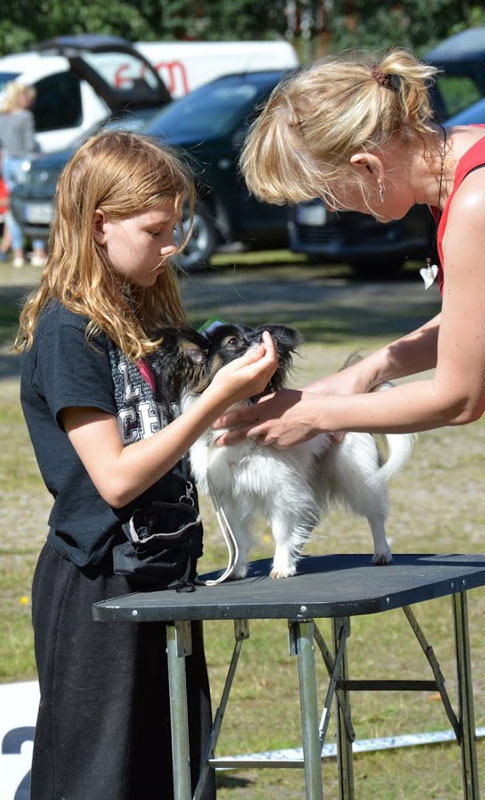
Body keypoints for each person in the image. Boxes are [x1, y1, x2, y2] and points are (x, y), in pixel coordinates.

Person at [213, 49, 485, 797]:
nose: (335, 211)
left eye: (329, 193)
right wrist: (368, 369)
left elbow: (457, 396)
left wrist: (314, 411)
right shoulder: (484, 156)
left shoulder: (483, 202)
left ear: (365, 164)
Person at [14, 130, 278, 800]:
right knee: (99, 782)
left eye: (177, 227)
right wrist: (212, 401)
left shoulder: (136, 315)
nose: (172, 247)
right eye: (155, 231)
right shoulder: (69, 330)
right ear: (99, 224)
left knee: (176, 775)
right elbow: (116, 477)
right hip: (99, 584)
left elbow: (165, 437)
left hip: (162, 570)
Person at [0, 81, 46, 267]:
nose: (30, 100)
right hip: (24, 164)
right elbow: (29, 145)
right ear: (20, 97)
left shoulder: (3, 117)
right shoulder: (25, 116)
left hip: (8, 163)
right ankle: (38, 253)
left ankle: (18, 254)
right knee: (33, 206)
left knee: (14, 210)